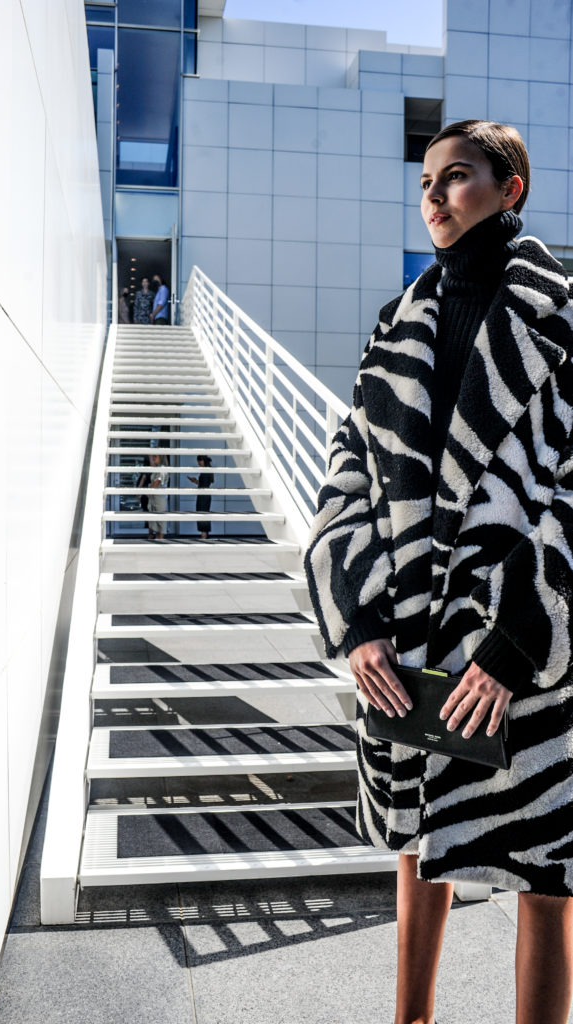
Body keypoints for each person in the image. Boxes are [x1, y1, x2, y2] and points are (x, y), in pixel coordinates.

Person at [305, 119, 573, 1024]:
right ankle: (408, 1019)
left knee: (545, 868)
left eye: (456, 177)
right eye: (425, 180)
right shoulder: (397, 325)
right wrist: (357, 619)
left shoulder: (563, 318)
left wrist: (517, 640)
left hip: (524, 648)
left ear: (510, 190)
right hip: (409, 638)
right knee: (417, 840)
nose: (433, 195)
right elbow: (347, 472)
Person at [187, 455, 214, 539]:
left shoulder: (206, 471)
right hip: (205, 494)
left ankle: (204, 534)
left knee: (202, 513)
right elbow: (204, 484)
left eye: (200, 461)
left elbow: (203, 485)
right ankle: (204, 534)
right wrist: (195, 481)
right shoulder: (207, 470)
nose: (198, 463)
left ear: (204, 461)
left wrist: (196, 481)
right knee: (203, 513)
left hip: (203, 495)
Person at [146, 451, 169, 541]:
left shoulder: (162, 468)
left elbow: (157, 481)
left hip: (160, 498)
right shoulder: (157, 468)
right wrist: (150, 456)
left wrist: (149, 491)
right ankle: (157, 537)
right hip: (154, 498)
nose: (154, 458)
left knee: (161, 519)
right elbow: (152, 467)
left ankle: (160, 538)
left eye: (155, 456)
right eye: (153, 456)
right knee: (154, 518)